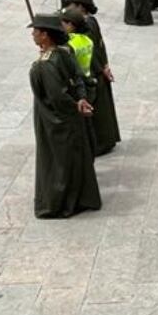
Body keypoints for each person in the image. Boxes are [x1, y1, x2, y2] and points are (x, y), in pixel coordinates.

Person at [28, 12, 101, 218]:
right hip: (71, 116)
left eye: (36, 31)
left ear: (45, 35)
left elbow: (57, 97)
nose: (33, 34)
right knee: (72, 159)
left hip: (54, 121)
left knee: (57, 162)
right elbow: (78, 79)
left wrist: (75, 105)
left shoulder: (46, 64)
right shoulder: (63, 53)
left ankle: (59, 202)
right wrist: (81, 99)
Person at [64, 0, 120, 155]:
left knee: (97, 113)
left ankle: (100, 143)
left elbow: (94, 50)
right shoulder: (91, 21)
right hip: (99, 68)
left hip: (93, 73)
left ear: (80, 6)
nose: (69, 7)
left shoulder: (85, 27)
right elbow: (101, 45)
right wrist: (106, 64)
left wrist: (101, 67)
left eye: (72, 5)